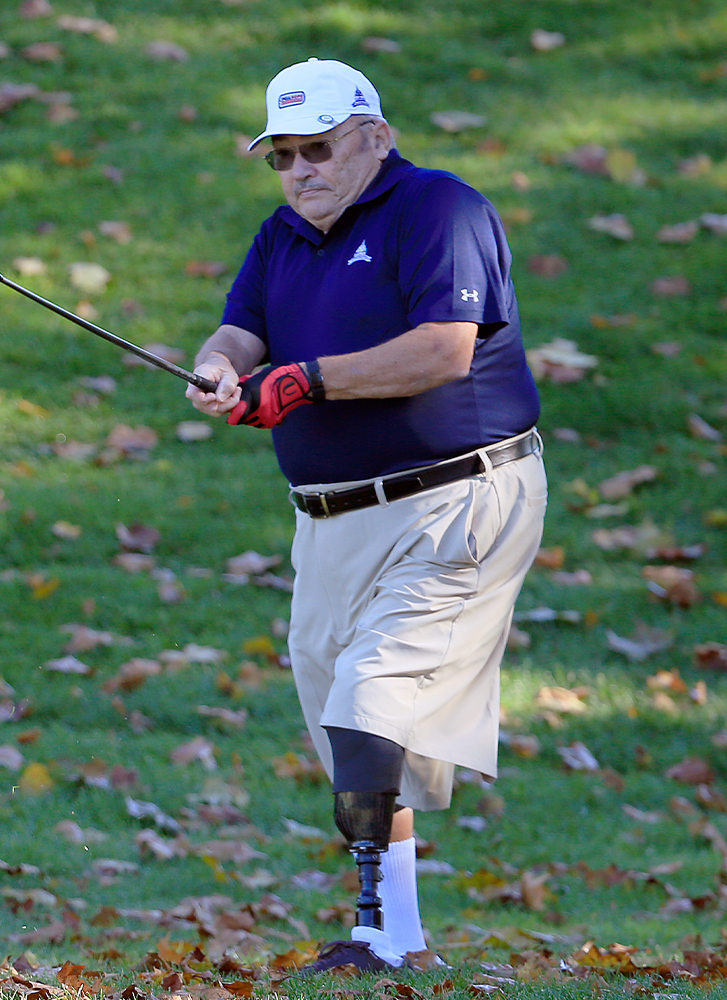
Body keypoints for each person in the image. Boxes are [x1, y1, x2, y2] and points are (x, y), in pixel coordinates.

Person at [185, 57, 547, 973]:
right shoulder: (283, 236)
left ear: (376, 138)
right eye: (283, 156)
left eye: (320, 149)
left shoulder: (439, 210)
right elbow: (243, 328)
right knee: (342, 713)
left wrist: (306, 382)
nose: (301, 170)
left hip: (457, 498)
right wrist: (223, 365)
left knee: (371, 701)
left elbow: (442, 350)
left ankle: (373, 935)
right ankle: (403, 940)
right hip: (330, 520)